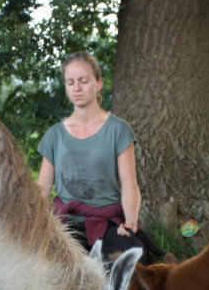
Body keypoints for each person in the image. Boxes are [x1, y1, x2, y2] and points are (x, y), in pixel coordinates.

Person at [37, 52, 144, 259]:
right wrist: (34, 223)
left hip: (106, 222)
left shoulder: (118, 130)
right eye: (70, 82)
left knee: (129, 259)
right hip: (65, 224)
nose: (76, 88)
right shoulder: (54, 135)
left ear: (98, 83)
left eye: (83, 81)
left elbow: (130, 183)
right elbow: (42, 189)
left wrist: (130, 220)